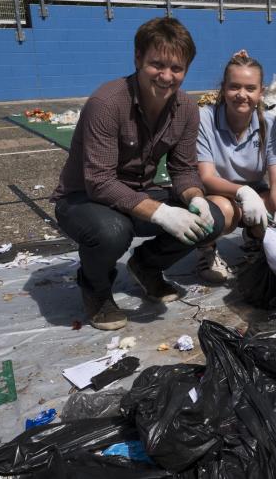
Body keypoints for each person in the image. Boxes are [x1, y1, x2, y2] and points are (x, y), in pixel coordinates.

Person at [52, 17, 223, 331]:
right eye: (156, 64)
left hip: (137, 195)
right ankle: (96, 291)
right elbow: (99, 181)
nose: (166, 76)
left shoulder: (186, 108)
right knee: (112, 231)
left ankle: (145, 265)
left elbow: (183, 169)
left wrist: (195, 198)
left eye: (177, 68)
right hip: (84, 199)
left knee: (211, 219)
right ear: (137, 59)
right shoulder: (107, 103)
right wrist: (160, 213)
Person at [195, 50, 276, 282]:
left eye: (250, 88)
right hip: (217, 194)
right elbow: (207, 177)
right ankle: (206, 252)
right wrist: (243, 192)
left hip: (254, 192)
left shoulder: (271, 123)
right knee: (225, 212)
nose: (242, 94)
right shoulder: (205, 118)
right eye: (234, 86)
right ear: (223, 88)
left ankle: (255, 236)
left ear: (261, 92)